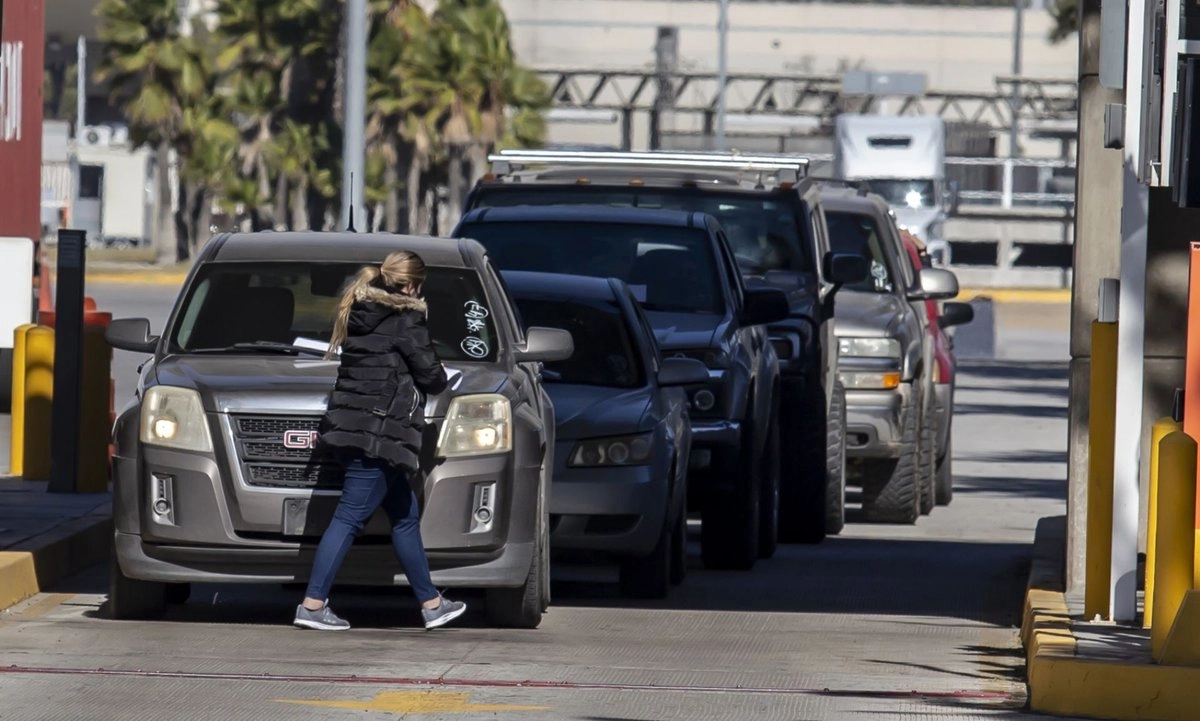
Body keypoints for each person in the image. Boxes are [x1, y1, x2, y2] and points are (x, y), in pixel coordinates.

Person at [293, 250, 467, 632]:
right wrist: (443, 377)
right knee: (350, 518)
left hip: (356, 427)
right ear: (411, 284)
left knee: (404, 518)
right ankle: (312, 604)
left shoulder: (361, 313)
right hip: (378, 435)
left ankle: (432, 604)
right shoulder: (406, 319)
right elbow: (432, 376)